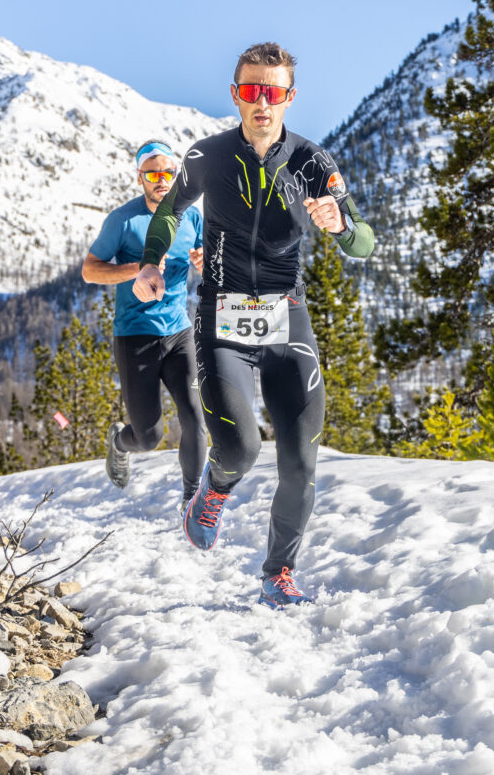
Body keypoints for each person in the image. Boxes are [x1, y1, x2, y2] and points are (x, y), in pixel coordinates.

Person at [134, 42, 375, 608]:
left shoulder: (314, 163)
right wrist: (149, 263)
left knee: (300, 461)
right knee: (240, 449)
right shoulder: (207, 157)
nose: (261, 102)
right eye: (250, 90)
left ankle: (278, 574)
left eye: (272, 92)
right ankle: (213, 492)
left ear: (289, 97)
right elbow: (170, 212)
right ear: (236, 95)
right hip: (222, 318)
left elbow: (364, 241)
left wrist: (339, 225)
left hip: (286, 319)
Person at [83, 140, 206, 505]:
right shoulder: (123, 220)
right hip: (135, 335)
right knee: (148, 437)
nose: (162, 180)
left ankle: (192, 502)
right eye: (153, 173)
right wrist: (136, 268)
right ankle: (120, 441)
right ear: (140, 178)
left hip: (179, 332)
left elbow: (206, 258)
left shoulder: (192, 217)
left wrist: (206, 262)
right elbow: (90, 271)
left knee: (196, 421)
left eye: (169, 172)